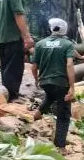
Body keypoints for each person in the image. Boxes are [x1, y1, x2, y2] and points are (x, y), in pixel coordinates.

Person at [31, 18, 76, 152]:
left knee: (50, 96)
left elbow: (34, 66)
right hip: (61, 83)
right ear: (64, 29)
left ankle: (36, 115)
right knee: (63, 114)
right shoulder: (67, 44)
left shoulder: (40, 44)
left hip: (45, 81)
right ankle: (60, 146)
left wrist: (36, 80)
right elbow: (69, 64)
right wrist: (72, 86)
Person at [0, 0, 34, 101]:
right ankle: (12, 96)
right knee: (15, 67)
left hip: (1, 37)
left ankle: (8, 93)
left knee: (5, 66)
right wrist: (27, 37)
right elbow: (19, 16)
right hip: (13, 37)